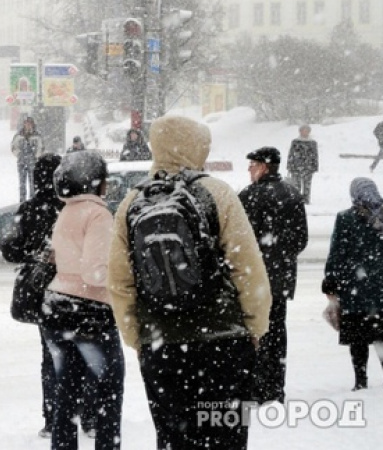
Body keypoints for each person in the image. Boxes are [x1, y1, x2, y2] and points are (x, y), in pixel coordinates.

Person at [109, 116, 271, 450]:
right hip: (223, 340)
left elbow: (119, 282)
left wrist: (136, 336)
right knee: (226, 436)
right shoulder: (217, 193)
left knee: (173, 438)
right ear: (198, 146)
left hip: (161, 344)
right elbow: (248, 269)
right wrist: (255, 328)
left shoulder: (132, 203)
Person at [0, 154, 97, 439]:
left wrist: (34, 256)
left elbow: (10, 250)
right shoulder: (76, 208)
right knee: (86, 351)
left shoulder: (29, 209)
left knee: (53, 357)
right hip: (79, 292)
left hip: (46, 298)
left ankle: (54, 417)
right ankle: (90, 415)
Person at [41, 150, 124, 450]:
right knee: (108, 393)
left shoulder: (67, 211)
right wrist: (124, 272)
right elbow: (95, 272)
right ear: (95, 181)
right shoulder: (98, 213)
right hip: (89, 310)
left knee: (66, 392)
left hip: (56, 304)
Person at [322, 177, 383, 391]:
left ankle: (361, 381)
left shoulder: (346, 218)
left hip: (355, 289)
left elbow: (337, 253)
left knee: (358, 337)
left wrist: (331, 280)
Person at [238, 147, 309, 404]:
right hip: (280, 279)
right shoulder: (292, 194)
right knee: (277, 332)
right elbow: (301, 240)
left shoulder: (249, 196)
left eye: (252, 165)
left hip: (254, 279)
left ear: (264, 167)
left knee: (254, 333)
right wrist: (282, 258)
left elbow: (237, 241)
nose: (249, 170)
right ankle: (275, 388)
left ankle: (256, 388)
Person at [11, 116, 45, 202]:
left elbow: (41, 147)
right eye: (26, 123)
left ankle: (32, 200)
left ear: (33, 124)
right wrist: (19, 155)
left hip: (33, 162)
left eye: (30, 123)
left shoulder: (37, 135)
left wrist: (35, 156)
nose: (28, 125)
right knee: (22, 183)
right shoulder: (18, 135)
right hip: (21, 162)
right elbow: (13, 147)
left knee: (33, 182)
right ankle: (22, 201)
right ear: (24, 124)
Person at [286, 124, 318, 204]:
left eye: (307, 130)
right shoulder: (295, 142)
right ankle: (297, 199)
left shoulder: (312, 143)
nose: (305, 132)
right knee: (296, 185)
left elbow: (315, 155)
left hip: (308, 167)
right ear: (300, 131)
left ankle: (306, 199)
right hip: (296, 167)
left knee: (307, 185)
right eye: (303, 130)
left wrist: (314, 166)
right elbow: (291, 154)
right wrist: (290, 166)